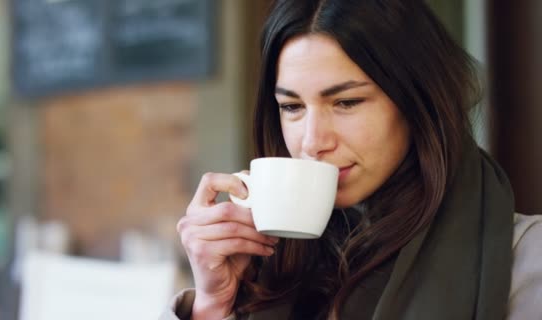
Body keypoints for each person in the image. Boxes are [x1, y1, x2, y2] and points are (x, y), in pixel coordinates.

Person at [161, 0, 542, 319]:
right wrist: (213, 304)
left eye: (346, 102)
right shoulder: (258, 266)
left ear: (416, 100)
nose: (312, 142)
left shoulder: (521, 258)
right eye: (291, 106)